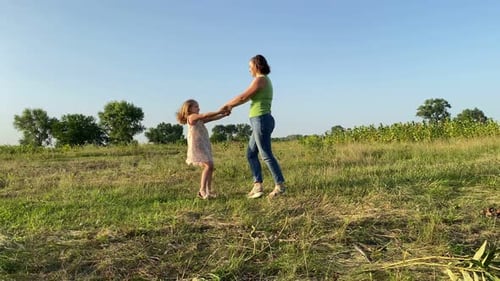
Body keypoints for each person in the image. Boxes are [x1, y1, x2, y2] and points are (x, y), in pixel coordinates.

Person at [221, 54, 286, 199]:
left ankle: (280, 186)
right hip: (260, 120)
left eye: (250, 67)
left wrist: (227, 105)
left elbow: (243, 97)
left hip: (261, 120)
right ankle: (258, 186)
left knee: (265, 154)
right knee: (251, 153)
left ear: (256, 66)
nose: (249, 70)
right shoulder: (263, 80)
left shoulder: (260, 80)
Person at [176, 99, 229, 199]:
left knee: (211, 166)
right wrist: (220, 111)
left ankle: (209, 190)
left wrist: (223, 114)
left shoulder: (197, 119)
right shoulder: (192, 117)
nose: (199, 108)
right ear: (189, 109)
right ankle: (202, 190)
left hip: (203, 144)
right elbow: (205, 115)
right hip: (197, 145)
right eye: (196, 106)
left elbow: (211, 118)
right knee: (208, 166)